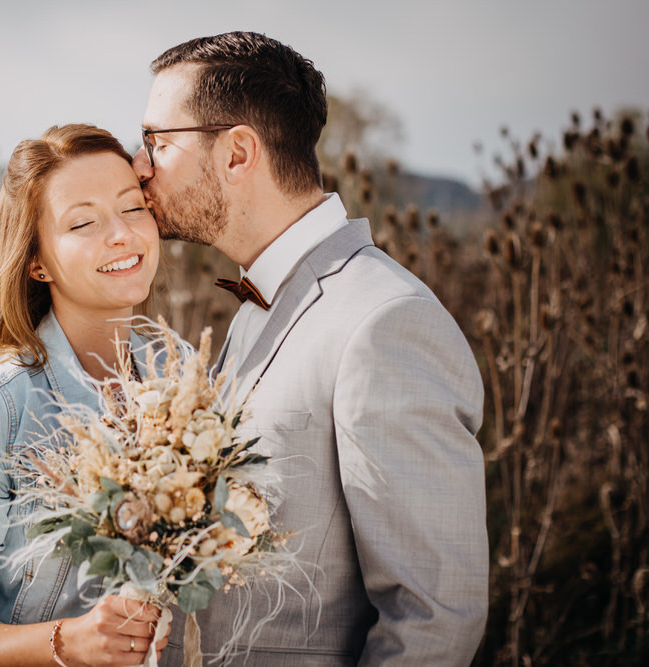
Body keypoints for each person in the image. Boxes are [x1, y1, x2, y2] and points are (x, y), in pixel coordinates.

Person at [133, 32, 488, 666]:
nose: (140, 165)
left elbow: (434, 616)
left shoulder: (384, 323)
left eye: (157, 142)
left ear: (239, 152)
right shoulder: (253, 312)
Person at [0, 124, 171, 667]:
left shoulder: (185, 376)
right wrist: (69, 642)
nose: (120, 234)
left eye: (132, 208)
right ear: (37, 262)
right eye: (83, 222)